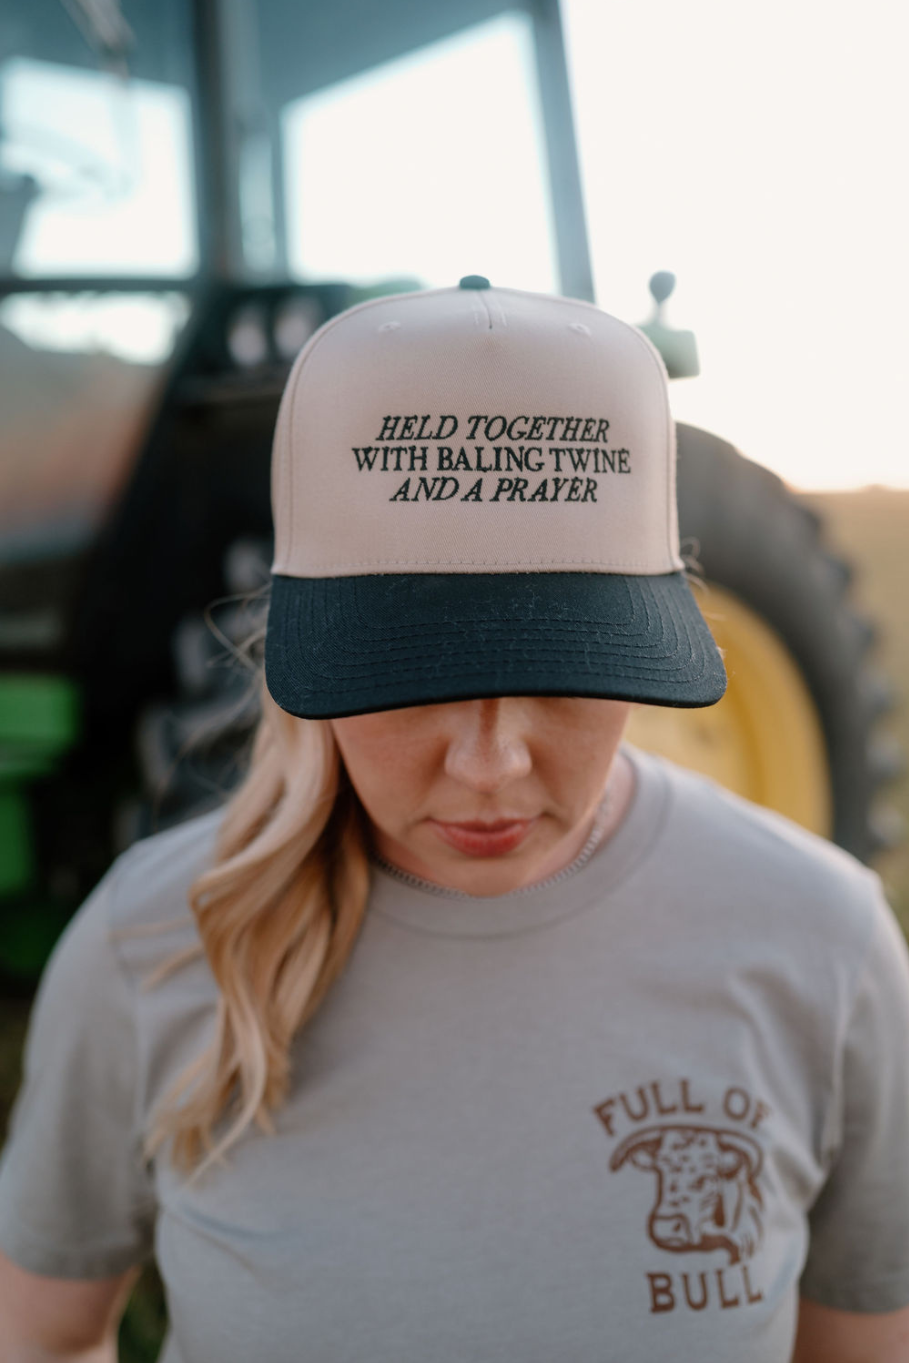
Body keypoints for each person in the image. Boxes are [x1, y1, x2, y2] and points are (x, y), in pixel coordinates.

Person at [0, 278, 908, 1363]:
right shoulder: (149, 944)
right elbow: (44, 1335)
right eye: (411, 678)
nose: (490, 767)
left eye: (566, 671)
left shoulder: (824, 941)